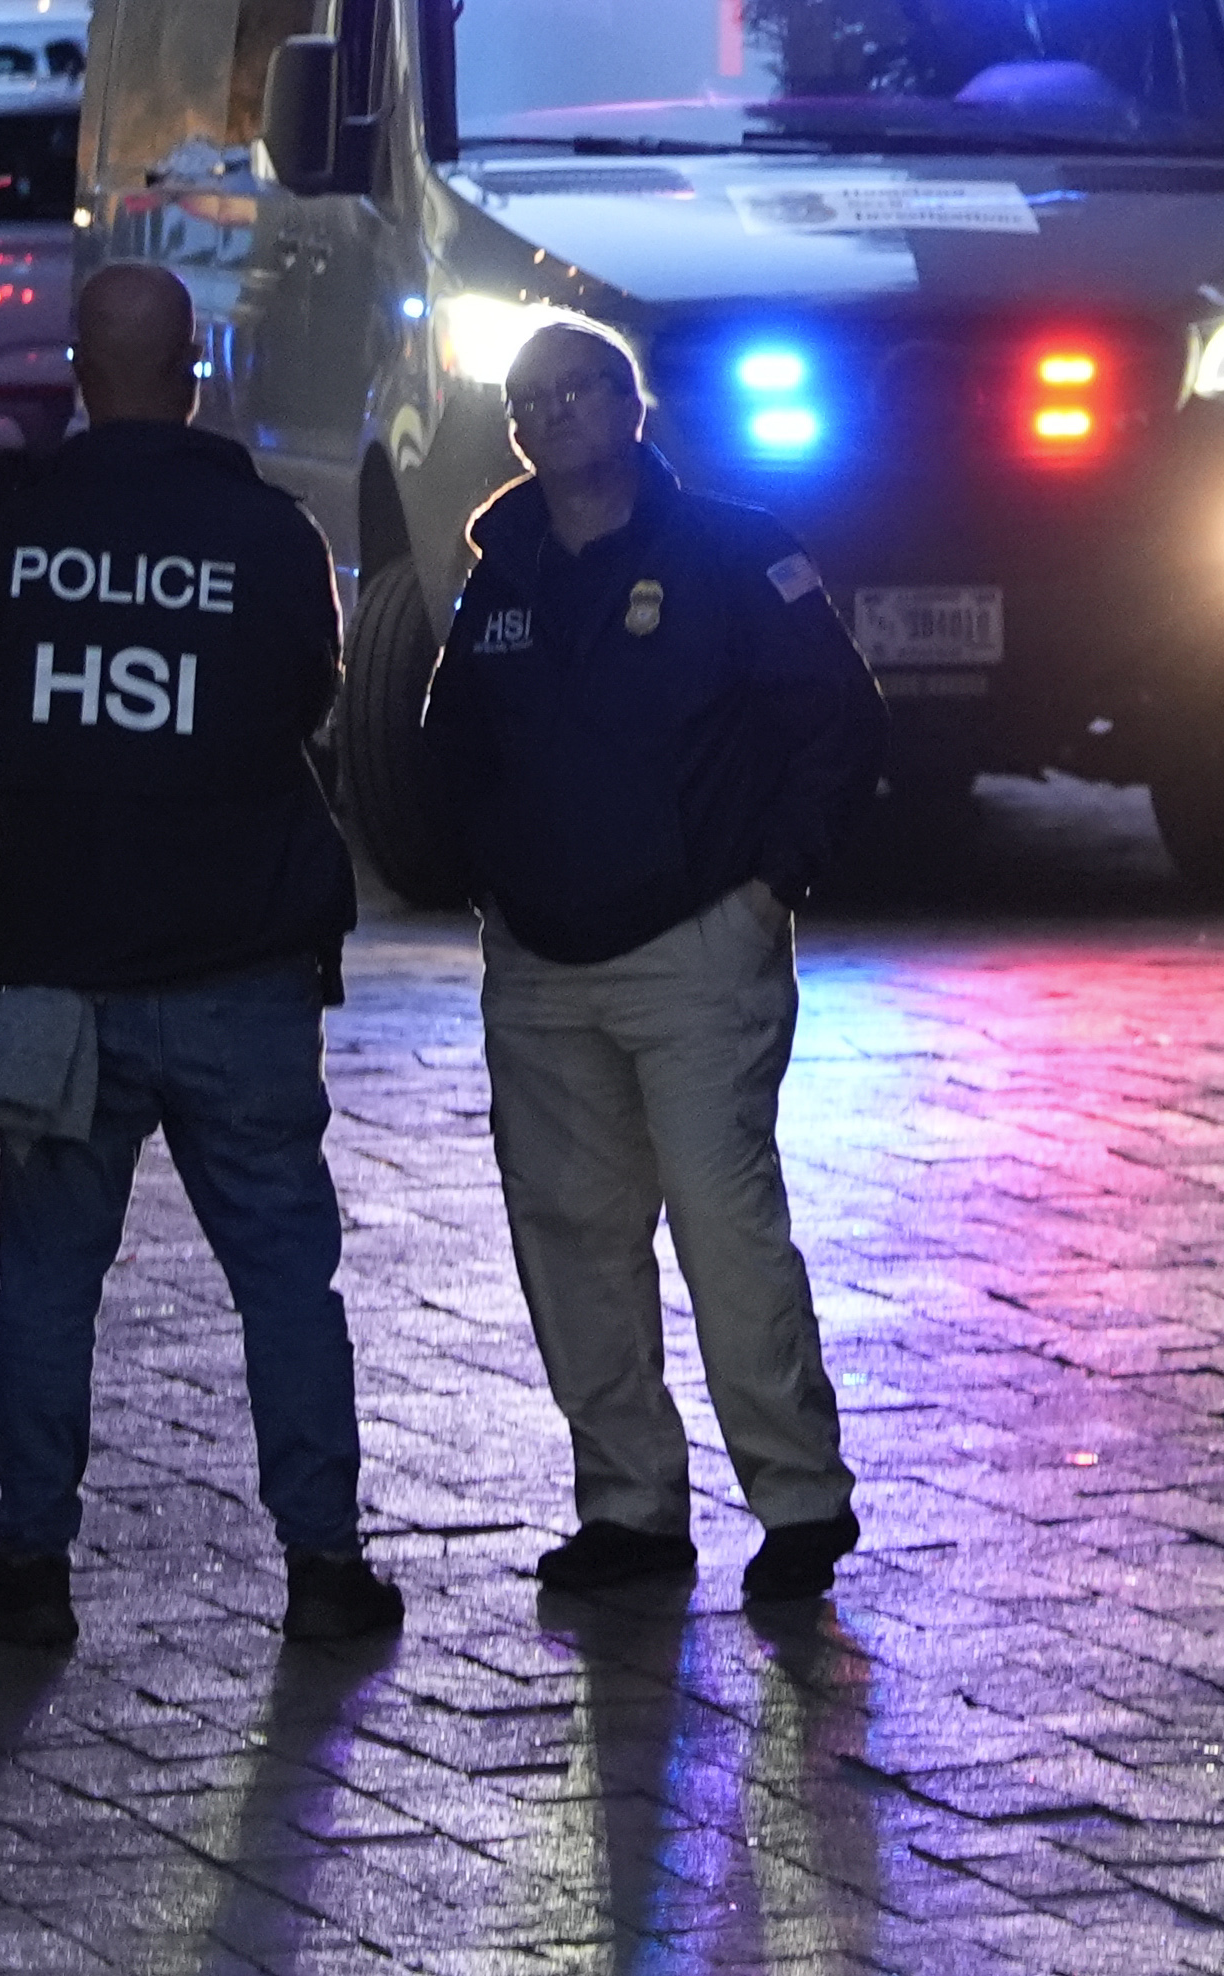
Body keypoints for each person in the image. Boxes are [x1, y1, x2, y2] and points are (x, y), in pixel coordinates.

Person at [0, 261, 396, 1653]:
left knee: (47, 1284)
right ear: (195, 372)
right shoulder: (268, 539)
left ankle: (30, 1564)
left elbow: (2, 662)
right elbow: (305, 701)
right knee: (283, 1283)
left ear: (80, 371)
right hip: (240, 966)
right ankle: (323, 1565)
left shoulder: (19, 533)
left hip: (67, 975)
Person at [411, 321, 886, 1608]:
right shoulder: (500, 572)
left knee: (727, 1233)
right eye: (528, 400)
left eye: (577, 390)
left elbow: (837, 722)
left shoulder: (736, 552)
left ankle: (798, 1501)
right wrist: (482, 880)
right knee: (571, 1237)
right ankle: (628, 1505)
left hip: (695, 949)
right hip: (540, 962)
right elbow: (450, 743)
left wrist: (768, 883)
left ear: (633, 408)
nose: (551, 414)